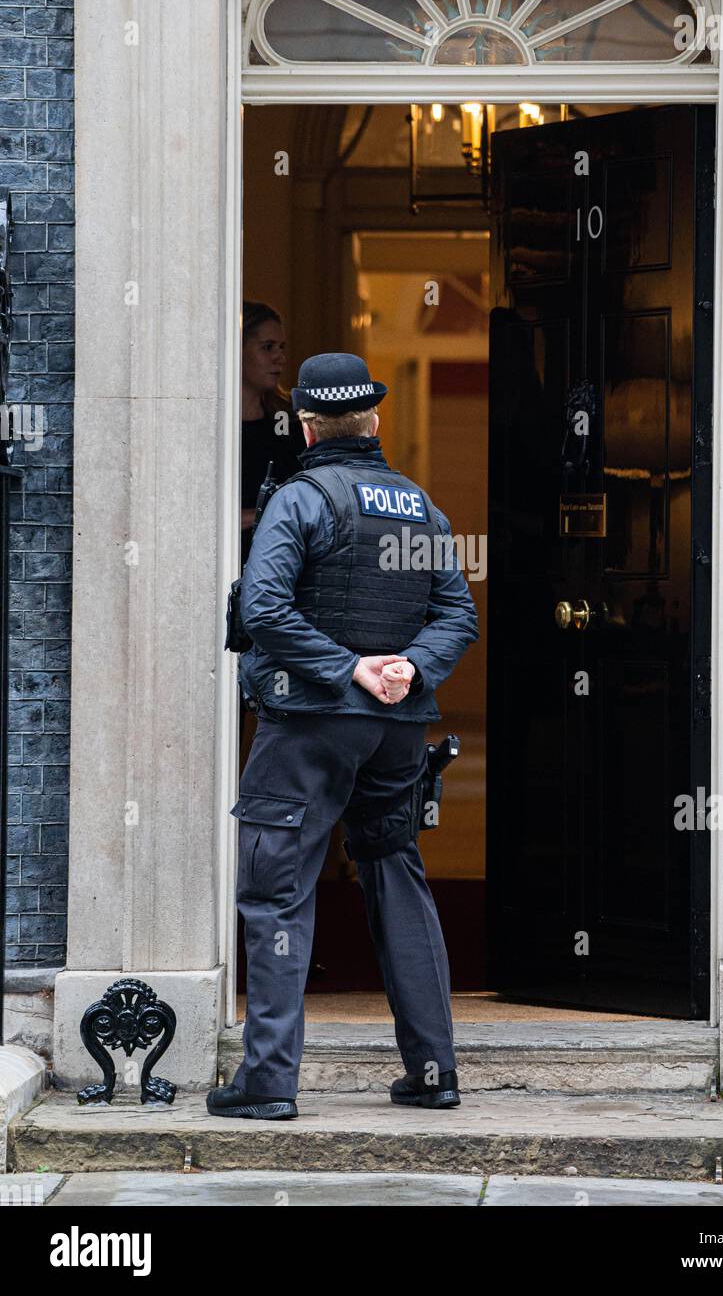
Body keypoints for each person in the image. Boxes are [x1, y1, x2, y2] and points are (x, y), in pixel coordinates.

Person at [207, 352, 478, 1121]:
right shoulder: (418, 507)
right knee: (397, 877)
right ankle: (433, 1073)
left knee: (275, 892)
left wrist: (348, 669)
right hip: (395, 730)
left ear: (305, 426)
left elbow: (263, 610)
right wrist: (408, 672)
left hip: (308, 728)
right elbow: (457, 615)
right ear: (377, 423)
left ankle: (267, 1083)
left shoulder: (300, 500)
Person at [240, 301, 305, 565]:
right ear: (237, 349)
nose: (280, 357)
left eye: (281, 347)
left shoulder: (292, 420)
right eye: (267, 347)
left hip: (281, 563)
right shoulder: (209, 424)